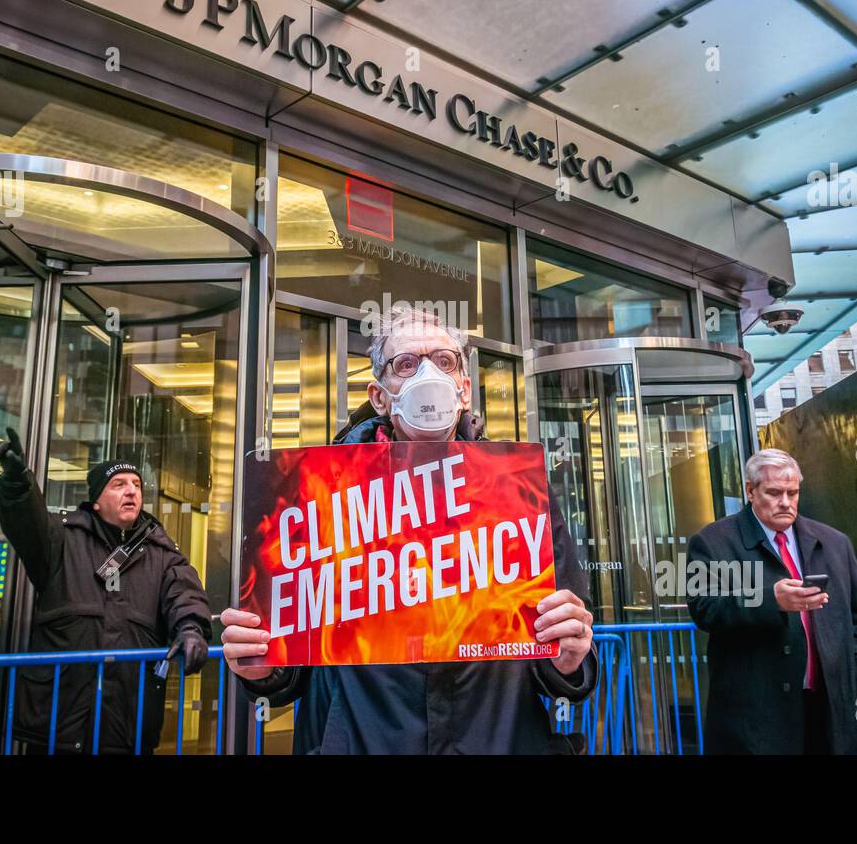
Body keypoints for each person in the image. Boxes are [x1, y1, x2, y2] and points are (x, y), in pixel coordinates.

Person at [221, 306, 598, 754]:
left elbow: (569, 655)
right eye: (406, 364)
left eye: (444, 362)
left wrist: (570, 659)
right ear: (380, 396)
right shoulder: (321, 496)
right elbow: (292, 668)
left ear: (464, 389)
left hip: (498, 739)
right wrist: (263, 666)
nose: (428, 375)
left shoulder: (519, 491)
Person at [0, 433, 212, 754]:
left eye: (136, 484)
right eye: (119, 484)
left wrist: (191, 628)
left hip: (124, 719)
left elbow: (184, 595)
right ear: (96, 500)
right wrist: (16, 481)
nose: (132, 490)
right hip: (59, 717)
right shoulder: (62, 539)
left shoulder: (162, 552)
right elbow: (26, 521)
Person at [686, 448, 857, 754]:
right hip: (758, 718)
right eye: (774, 492)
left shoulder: (834, 542)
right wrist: (771, 601)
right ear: (750, 491)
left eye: (793, 493)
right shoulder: (712, 542)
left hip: (833, 710)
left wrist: (856, 665)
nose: (786, 502)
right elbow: (705, 608)